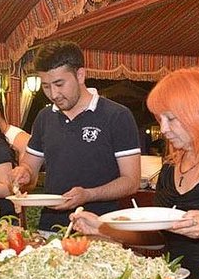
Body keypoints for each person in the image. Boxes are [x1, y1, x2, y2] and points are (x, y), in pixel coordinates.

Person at [71, 67, 199, 279]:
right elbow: (159, 240)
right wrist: (104, 229)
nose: (164, 129)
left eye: (171, 118)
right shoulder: (170, 167)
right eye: (160, 120)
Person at [11, 40, 141, 230]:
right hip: (49, 227)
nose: (54, 94)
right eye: (46, 86)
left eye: (59, 84)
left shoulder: (117, 116)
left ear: (80, 75)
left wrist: (89, 194)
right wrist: (23, 174)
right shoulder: (45, 117)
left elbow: (131, 181)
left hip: (99, 229)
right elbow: (29, 171)